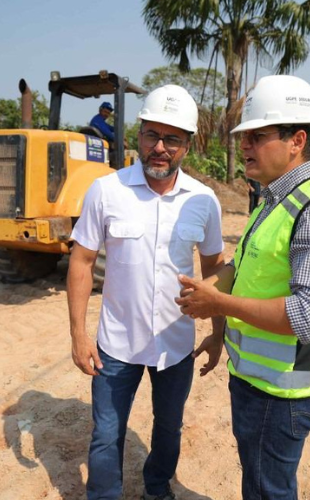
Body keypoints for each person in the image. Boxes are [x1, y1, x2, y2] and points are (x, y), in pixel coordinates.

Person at [174, 75, 310, 499]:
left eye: (256, 137)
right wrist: (202, 290)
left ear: (296, 140)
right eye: (244, 138)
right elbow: (241, 266)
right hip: (258, 379)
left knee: (267, 489)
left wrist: (219, 302)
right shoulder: (275, 199)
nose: (244, 147)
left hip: (283, 392)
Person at [67, 84, 226, 500]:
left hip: (175, 345)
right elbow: (81, 261)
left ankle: (157, 489)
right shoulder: (107, 190)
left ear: (187, 146)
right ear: (137, 136)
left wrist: (218, 332)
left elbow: (214, 269)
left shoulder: (204, 200)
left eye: (172, 138)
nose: (159, 147)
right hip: (115, 344)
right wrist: (78, 335)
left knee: (168, 427)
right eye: (151, 135)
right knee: (106, 433)